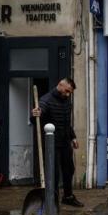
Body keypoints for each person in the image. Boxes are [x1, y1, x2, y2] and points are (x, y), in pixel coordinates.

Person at [31, 78, 83, 207]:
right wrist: (34, 114)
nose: (67, 94)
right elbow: (37, 116)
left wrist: (73, 137)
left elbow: (66, 122)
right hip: (51, 143)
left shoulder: (66, 101)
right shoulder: (45, 100)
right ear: (60, 85)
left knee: (69, 169)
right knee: (53, 173)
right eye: (66, 91)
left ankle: (68, 196)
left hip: (65, 141)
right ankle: (52, 200)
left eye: (70, 92)